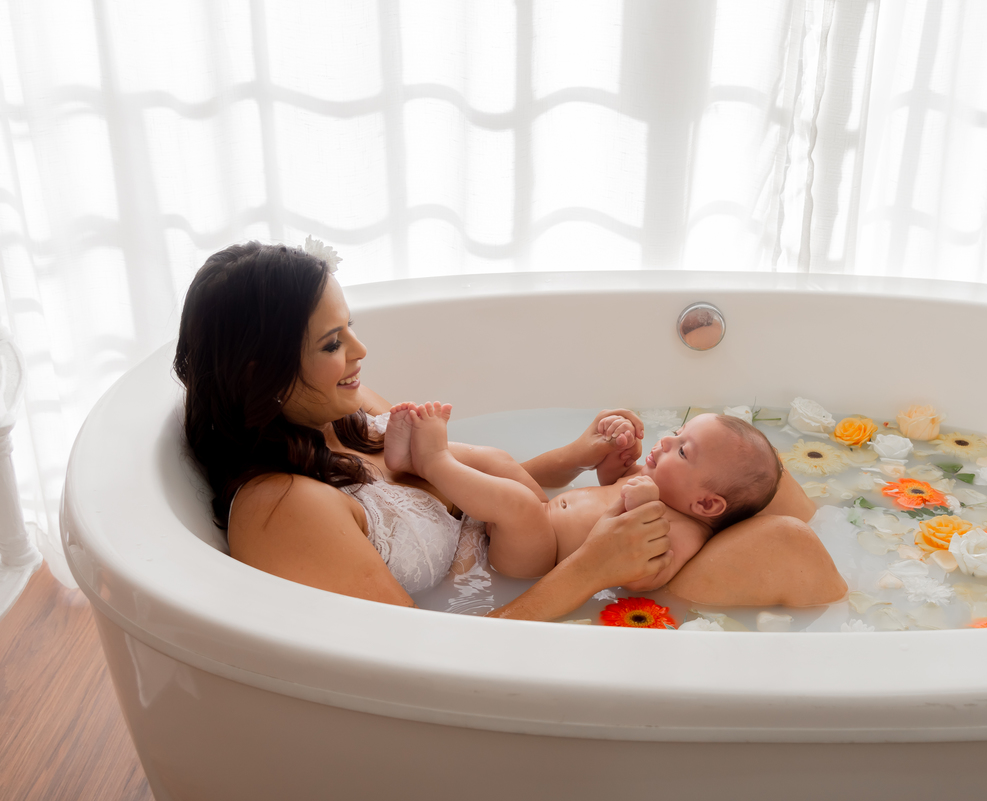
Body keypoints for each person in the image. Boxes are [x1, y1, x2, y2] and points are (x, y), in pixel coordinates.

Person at [175, 241, 846, 621]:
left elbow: (486, 483)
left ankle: (882, 571)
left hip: (550, 552)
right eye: (331, 340)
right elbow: (418, 666)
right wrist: (594, 567)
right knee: (787, 542)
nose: (361, 351)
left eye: (349, 325)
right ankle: (888, 634)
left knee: (751, 467)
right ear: (261, 372)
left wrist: (578, 458)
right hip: (544, 591)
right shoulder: (282, 509)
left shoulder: (346, 416)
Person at [385, 403, 782, 592]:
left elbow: (645, 575)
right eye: (678, 432)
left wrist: (641, 505)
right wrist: (615, 459)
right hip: (541, 514)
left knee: (517, 506)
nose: (666, 440)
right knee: (501, 462)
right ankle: (411, 462)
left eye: (682, 450)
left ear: (707, 504)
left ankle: (434, 460)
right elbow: (612, 485)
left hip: (536, 558)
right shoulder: (655, 481)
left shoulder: (685, 530)